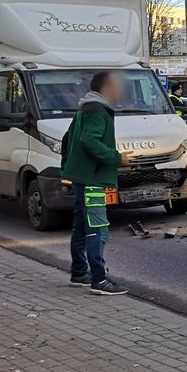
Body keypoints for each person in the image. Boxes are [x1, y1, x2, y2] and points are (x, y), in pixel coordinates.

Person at [61, 72, 128, 295]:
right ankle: (99, 279)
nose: (121, 89)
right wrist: (117, 157)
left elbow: (67, 139)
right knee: (97, 229)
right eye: (117, 85)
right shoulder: (98, 110)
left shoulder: (85, 108)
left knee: (80, 226)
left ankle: (79, 272)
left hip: (82, 176)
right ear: (106, 87)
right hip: (93, 179)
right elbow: (89, 140)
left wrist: (69, 168)